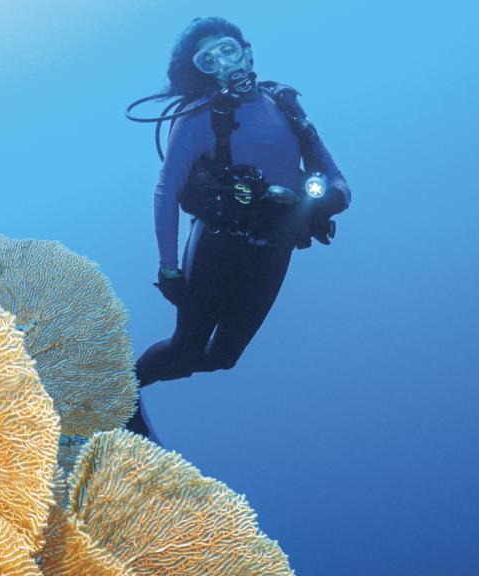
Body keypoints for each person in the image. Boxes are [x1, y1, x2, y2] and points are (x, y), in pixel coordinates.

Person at [124, 16, 351, 441]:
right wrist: (168, 267)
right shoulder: (197, 120)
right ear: (201, 71)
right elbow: (166, 191)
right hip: (217, 245)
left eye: (228, 50)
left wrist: (308, 199)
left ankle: (131, 386)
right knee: (187, 346)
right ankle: (124, 390)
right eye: (208, 60)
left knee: (223, 358)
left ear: (247, 51)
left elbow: (340, 183)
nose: (223, 63)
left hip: (275, 249)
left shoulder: (286, 106)